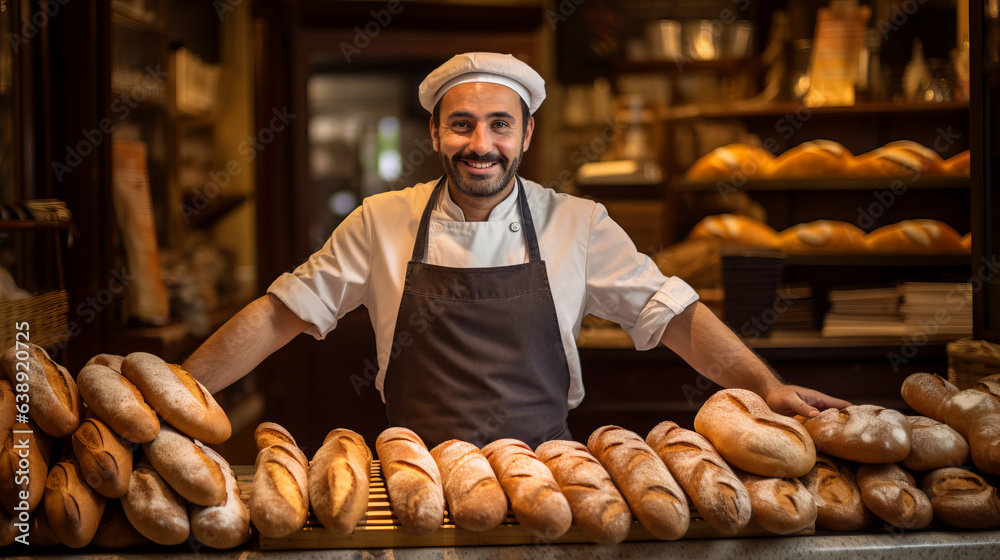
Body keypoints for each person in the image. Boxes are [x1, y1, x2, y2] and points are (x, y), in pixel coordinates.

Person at [183, 52, 850, 449]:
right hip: (420, 475)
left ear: (526, 134)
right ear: (437, 132)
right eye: (462, 124)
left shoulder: (578, 224)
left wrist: (765, 387)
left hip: (549, 475)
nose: (482, 143)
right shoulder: (380, 221)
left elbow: (672, 313)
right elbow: (281, 313)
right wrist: (178, 396)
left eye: (499, 125)